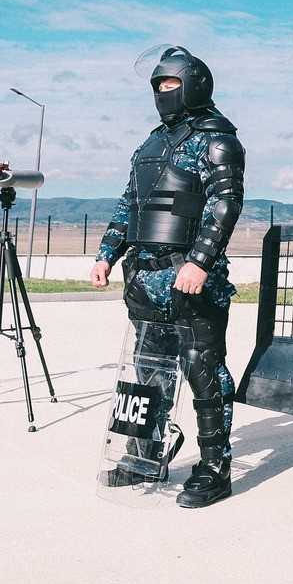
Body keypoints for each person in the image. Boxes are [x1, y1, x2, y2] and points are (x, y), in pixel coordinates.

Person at [90, 46, 244, 508]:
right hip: (146, 276)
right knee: (147, 373)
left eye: (170, 84)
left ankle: (215, 467)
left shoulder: (218, 139)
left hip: (191, 277)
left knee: (202, 369)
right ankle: (143, 453)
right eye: (157, 85)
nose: (162, 92)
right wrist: (107, 254)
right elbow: (130, 203)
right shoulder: (153, 143)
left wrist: (199, 262)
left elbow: (224, 204)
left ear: (194, 83)